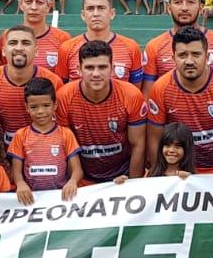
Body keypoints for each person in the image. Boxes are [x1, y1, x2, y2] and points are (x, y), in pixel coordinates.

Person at [144, 28, 213, 174]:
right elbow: (154, 139)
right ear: (173, 57)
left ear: (206, 56)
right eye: (182, 55)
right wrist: (162, 175)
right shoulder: (160, 88)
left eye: (196, 54)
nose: (189, 61)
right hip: (180, 169)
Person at [55, 39, 148, 184]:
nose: (96, 73)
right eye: (89, 67)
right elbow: (66, 149)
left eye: (102, 67)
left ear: (112, 69)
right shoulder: (64, 97)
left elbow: (138, 145)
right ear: (79, 69)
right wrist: (74, 181)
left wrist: (133, 185)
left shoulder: (131, 95)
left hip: (122, 177)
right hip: (83, 178)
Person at [141, 0, 213, 95]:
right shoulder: (154, 46)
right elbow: (148, 94)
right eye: (178, 2)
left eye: (190, 2)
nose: (184, 8)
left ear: (200, 8)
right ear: (169, 9)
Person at [0, 26, 64, 145]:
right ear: (3, 50)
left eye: (26, 43)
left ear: (36, 51)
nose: (19, 48)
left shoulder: (53, 82)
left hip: (41, 150)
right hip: (3, 152)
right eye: (13, 43)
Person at [5, 77, 83, 205]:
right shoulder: (20, 135)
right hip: (31, 200)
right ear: (27, 108)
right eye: (34, 107)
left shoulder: (66, 134)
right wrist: (20, 184)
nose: (40, 111)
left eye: (46, 105)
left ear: (55, 105)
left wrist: (73, 181)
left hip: (60, 199)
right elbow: (16, 171)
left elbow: (77, 170)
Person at [55, 0, 144, 84]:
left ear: (112, 13)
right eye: (90, 8)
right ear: (83, 15)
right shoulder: (67, 49)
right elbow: (62, 89)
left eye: (101, 8)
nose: (96, 14)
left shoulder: (131, 47)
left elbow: (135, 91)